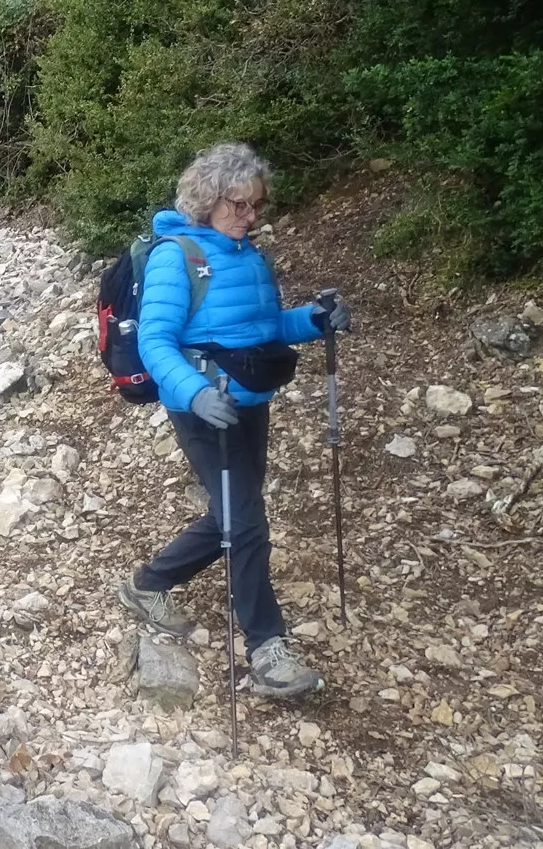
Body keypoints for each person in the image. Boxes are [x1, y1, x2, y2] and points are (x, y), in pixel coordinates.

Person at [115, 142, 351, 698]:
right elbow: (155, 341)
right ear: (209, 200)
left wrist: (315, 320)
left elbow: (266, 329)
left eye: (256, 206)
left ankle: (149, 584)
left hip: (249, 403)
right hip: (203, 410)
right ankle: (268, 652)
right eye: (239, 206)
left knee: (233, 512)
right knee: (245, 521)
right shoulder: (179, 256)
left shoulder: (247, 255)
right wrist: (195, 394)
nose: (251, 216)